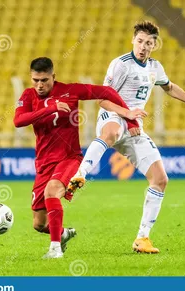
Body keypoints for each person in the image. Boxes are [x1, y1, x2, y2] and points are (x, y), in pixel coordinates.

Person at [68, 21, 185, 254]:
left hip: (135, 126)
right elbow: (102, 99)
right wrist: (127, 114)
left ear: (154, 45)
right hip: (115, 115)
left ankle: (142, 239)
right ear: (133, 40)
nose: (143, 46)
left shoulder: (155, 67)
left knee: (160, 179)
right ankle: (81, 174)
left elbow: (169, 87)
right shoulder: (121, 64)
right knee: (111, 132)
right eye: (140, 41)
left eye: (148, 43)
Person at [13, 57, 147, 259]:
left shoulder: (70, 91)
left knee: (52, 192)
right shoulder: (28, 95)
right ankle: (64, 234)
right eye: (35, 80)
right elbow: (18, 120)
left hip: (69, 158)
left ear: (53, 77)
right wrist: (50, 108)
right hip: (43, 163)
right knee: (39, 224)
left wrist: (129, 117)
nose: (40, 85)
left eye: (44, 80)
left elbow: (106, 92)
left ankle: (55, 249)